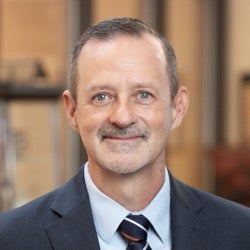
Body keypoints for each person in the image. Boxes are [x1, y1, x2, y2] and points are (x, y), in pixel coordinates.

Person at [0, 17, 250, 250]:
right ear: (73, 110)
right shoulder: (11, 238)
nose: (122, 117)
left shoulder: (241, 232)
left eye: (143, 95)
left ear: (178, 107)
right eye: (102, 97)